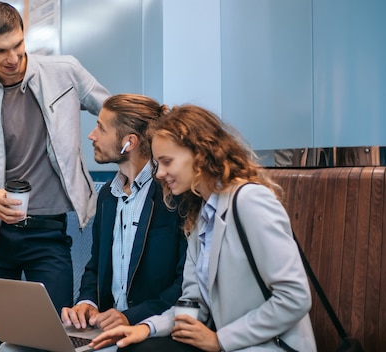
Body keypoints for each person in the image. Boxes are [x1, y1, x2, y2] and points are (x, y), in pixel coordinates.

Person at [90, 105, 316, 351]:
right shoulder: (200, 213)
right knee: (136, 346)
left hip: (268, 345)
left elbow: (295, 298)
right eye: (157, 164)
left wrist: (220, 340)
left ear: (200, 154)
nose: (160, 173)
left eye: (166, 162)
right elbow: (192, 304)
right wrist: (145, 328)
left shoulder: (250, 200)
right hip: (224, 340)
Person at [0, 2, 110, 351]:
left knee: (55, 338)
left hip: (48, 234)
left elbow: (114, 112)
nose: (12, 58)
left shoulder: (65, 71)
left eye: (17, 46)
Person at [0, 94, 187, 352]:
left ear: (128, 142)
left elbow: (183, 283)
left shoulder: (173, 196)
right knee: (12, 348)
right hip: (105, 328)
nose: (92, 135)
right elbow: (95, 267)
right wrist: (87, 302)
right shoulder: (108, 196)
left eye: (101, 127)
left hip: (149, 328)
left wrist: (129, 317)